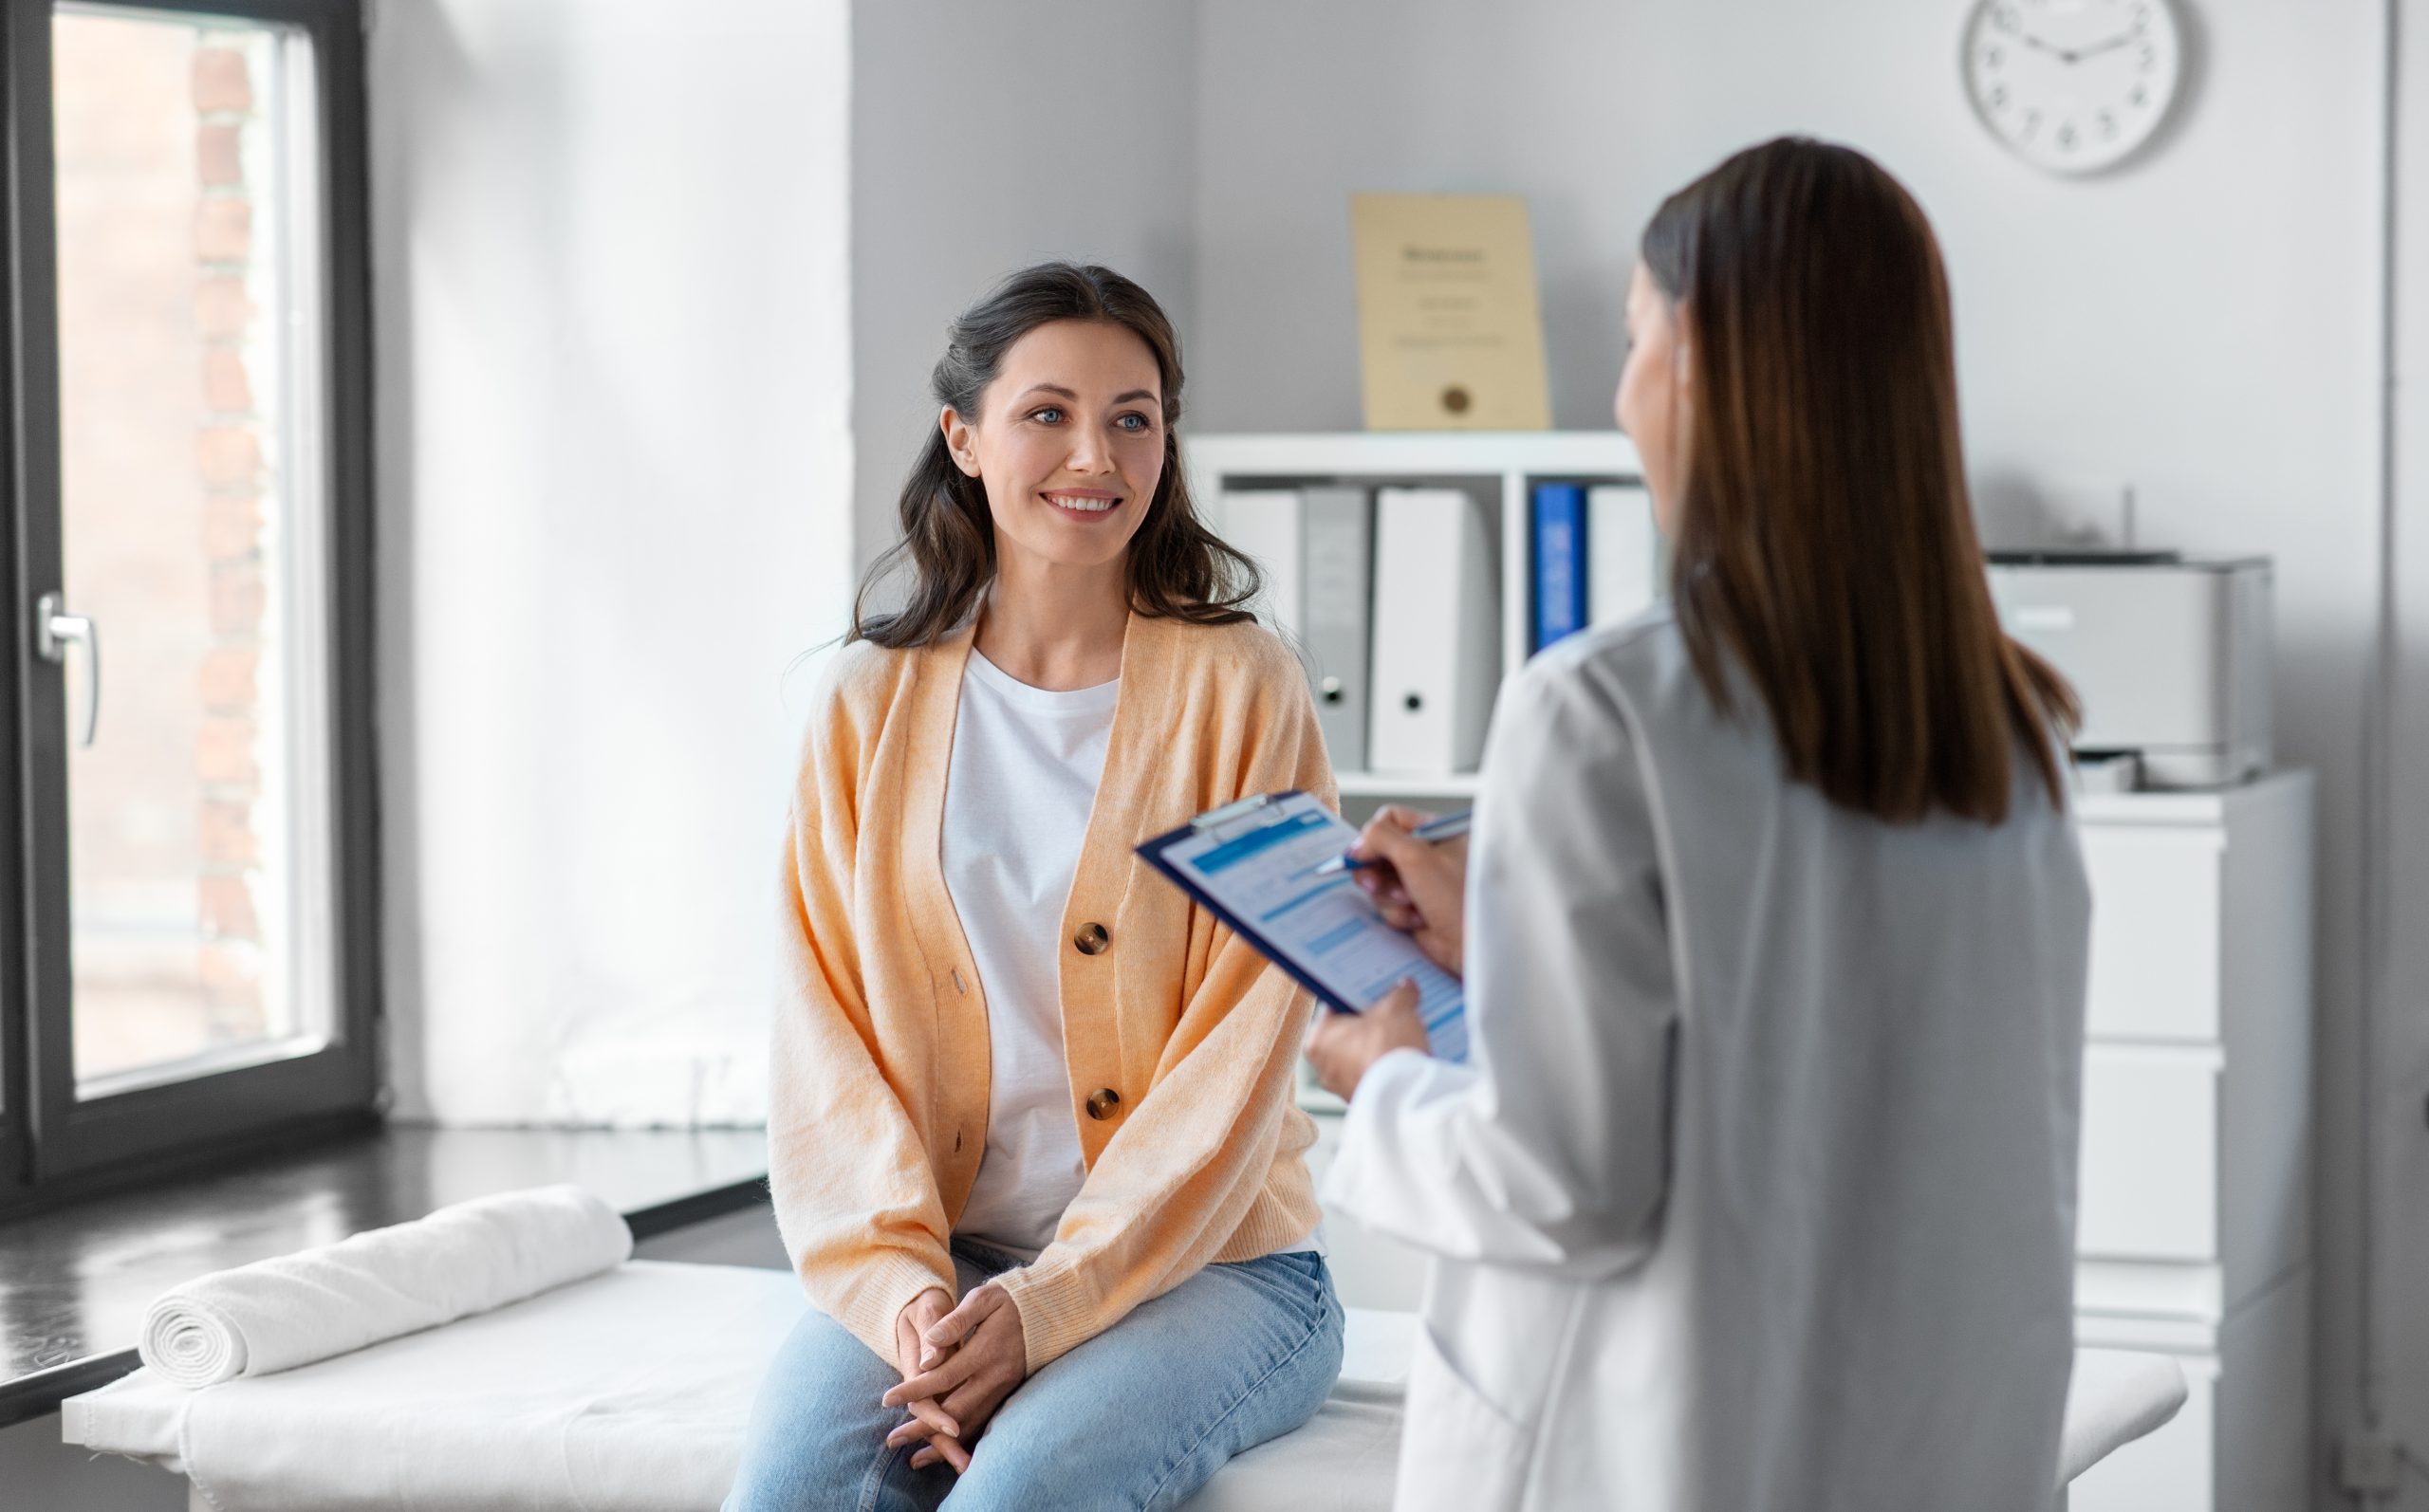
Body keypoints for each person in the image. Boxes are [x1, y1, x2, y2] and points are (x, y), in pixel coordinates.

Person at [1305, 138, 2092, 1512]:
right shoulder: (2007, 728)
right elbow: (1815, 1042)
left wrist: (1382, 1079)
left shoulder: (1600, 709)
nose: (1622, 398)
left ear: (1705, 353)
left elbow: (1564, 1183)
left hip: (1668, 1452)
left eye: (1632, 339)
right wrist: (1509, 950)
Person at [727, 262, 1343, 1512]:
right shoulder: (864, 702)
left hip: (1218, 1269)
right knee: (792, 1495)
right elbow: (821, 1039)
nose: (1095, 454)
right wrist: (913, 1304)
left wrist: (1050, 1303)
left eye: (1134, 416)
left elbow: (1247, 1049)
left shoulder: (1247, 690)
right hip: (935, 1263)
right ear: (963, 436)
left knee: (1018, 1496)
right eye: (1048, 412)